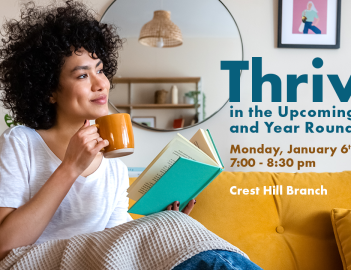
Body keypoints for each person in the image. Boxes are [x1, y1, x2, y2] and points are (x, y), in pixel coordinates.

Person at [0, 1, 262, 269]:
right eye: (82, 75)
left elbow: (116, 250)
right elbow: (4, 247)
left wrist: (160, 219)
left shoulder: (114, 166)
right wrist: (69, 168)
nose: (101, 83)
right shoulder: (21, 142)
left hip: (91, 262)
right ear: (49, 91)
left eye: (100, 70)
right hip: (32, 262)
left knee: (175, 224)